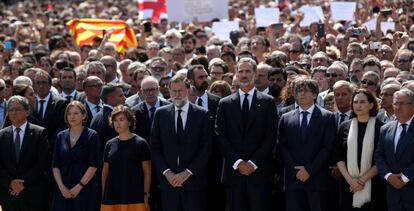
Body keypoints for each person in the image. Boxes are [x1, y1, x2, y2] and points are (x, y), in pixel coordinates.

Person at [215, 58, 278, 211]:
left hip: (259, 173)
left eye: (248, 71)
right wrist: (238, 163)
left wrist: (253, 163)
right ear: (236, 74)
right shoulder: (225, 103)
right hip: (233, 173)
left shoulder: (268, 102)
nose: (244, 75)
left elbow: (271, 136)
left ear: (255, 74)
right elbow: (220, 136)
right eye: (241, 71)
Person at [150, 75, 211, 211]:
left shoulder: (202, 114)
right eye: (174, 91)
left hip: (194, 183)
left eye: (181, 91)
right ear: (169, 92)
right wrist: (168, 173)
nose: (177, 95)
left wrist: (186, 173)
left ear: (188, 90)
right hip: (168, 184)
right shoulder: (161, 114)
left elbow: (206, 148)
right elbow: (155, 147)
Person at [279, 77, 337, 211]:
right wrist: (295, 169)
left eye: (306, 90)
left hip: (317, 179)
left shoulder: (327, 117)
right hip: (293, 179)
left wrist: (309, 170)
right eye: (299, 91)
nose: (302, 93)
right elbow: (282, 146)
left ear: (315, 94)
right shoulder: (285, 118)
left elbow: (327, 147)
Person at [336, 89, 386, 211]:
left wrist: (361, 181)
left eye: (362, 102)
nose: (358, 105)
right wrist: (351, 181)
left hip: (373, 185)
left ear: (371, 105)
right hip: (348, 185)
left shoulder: (382, 128)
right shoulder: (344, 126)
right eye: (355, 102)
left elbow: (381, 158)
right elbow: (338, 156)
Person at [0, 96, 50, 210]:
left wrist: (23, 183)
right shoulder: (1, 135)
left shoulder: (39, 133)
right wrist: (11, 183)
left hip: (33, 194)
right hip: (9, 195)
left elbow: (42, 162)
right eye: (11, 110)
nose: (14, 113)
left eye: (17, 109)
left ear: (27, 112)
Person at [52, 101, 101, 211]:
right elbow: (55, 165)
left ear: (83, 115)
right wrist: (61, 187)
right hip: (63, 187)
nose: (72, 116)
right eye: (69, 114)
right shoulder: (61, 136)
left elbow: (94, 164)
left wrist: (79, 187)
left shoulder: (92, 135)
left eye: (76, 113)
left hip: (85, 187)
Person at [101, 105, 151, 211]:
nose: (117, 123)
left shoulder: (141, 143)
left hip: (135, 196)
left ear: (129, 122)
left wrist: (146, 195)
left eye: (121, 120)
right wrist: (104, 194)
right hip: (111, 196)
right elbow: (105, 171)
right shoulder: (109, 144)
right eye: (115, 120)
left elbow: (147, 172)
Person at [375, 89, 414, 211]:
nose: (398, 107)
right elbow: (379, 155)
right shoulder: (385, 129)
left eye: (402, 103)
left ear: (412, 105)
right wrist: (388, 175)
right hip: (392, 190)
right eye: (395, 103)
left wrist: (405, 178)